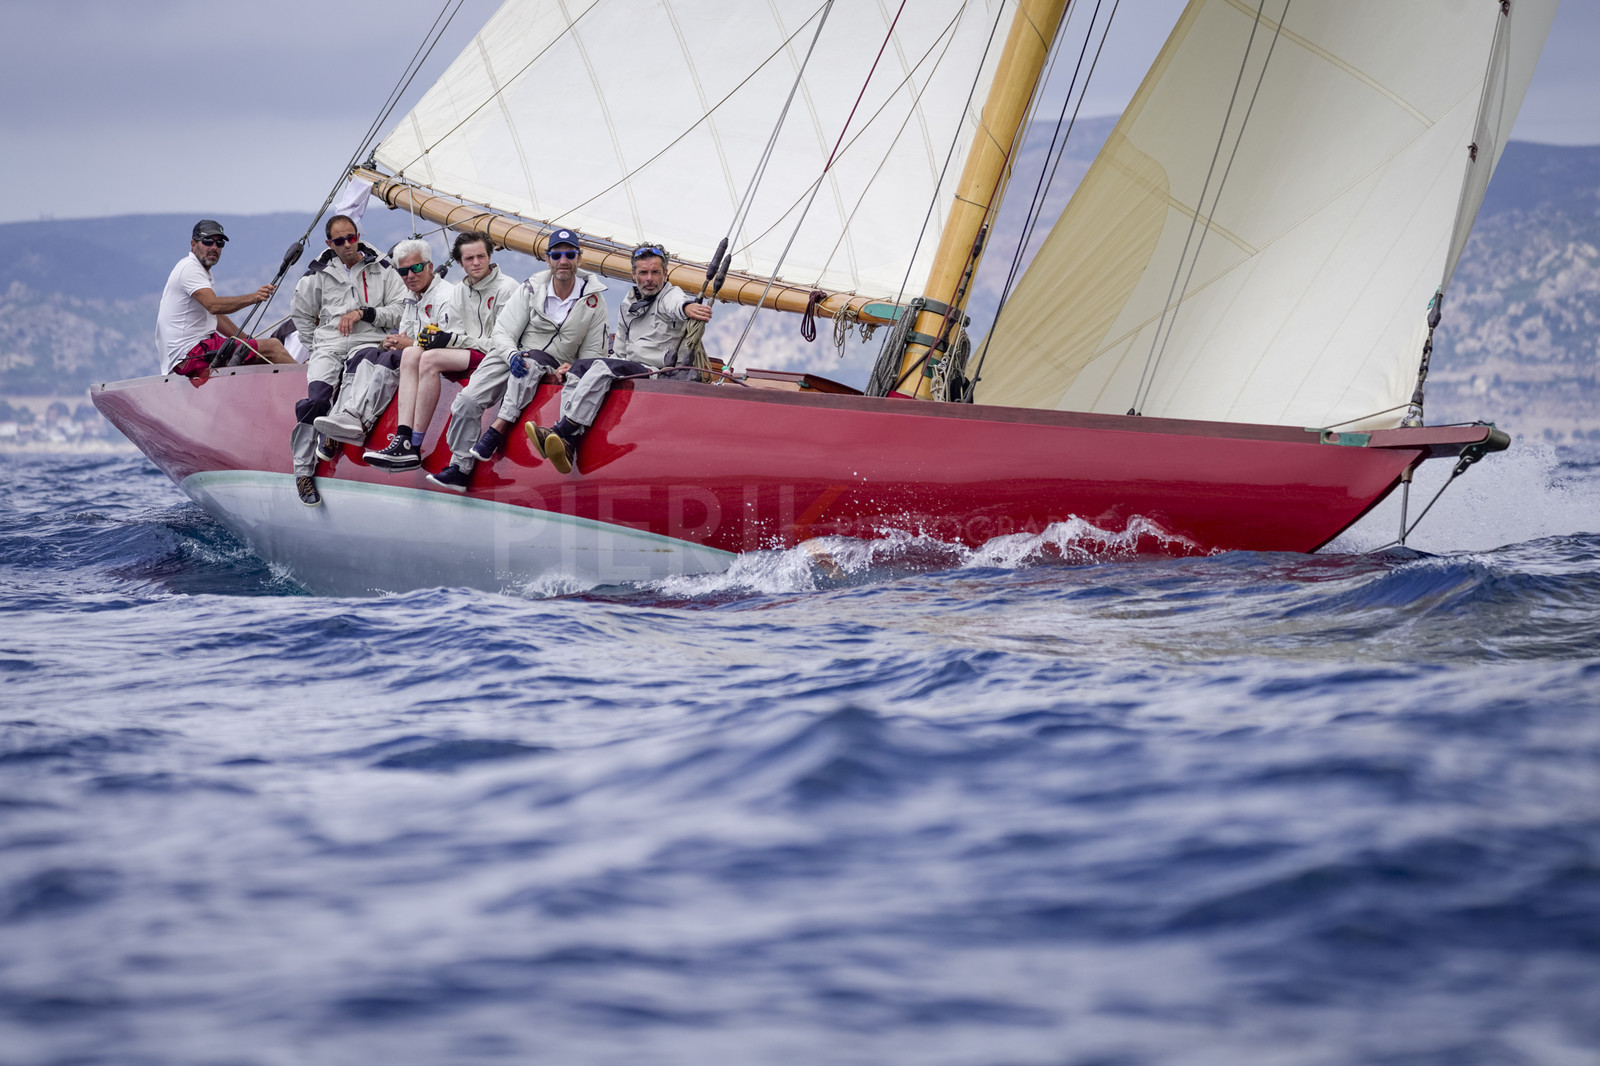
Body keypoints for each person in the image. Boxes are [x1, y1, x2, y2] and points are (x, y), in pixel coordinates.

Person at [425, 227, 609, 492]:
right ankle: (460, 467)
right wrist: (511, 354)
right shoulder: (531, 288)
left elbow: (594, 353)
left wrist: (576, 366)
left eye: (570, 254)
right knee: (466, 400)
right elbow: (503, 332)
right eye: (557, 255)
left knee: (532, 363)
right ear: (547, 259)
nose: (563, 261)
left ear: (579, 259)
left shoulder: (594, 301)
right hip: (513, 353)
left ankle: (496, 431)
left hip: (552, 362)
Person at [525, 242, 712, 475]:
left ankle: (562, 430)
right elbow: (620, 350)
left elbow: (676, 304)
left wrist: (688, 308)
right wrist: (594, 363)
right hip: (629, 365)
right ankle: (568, 444)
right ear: (634, 275)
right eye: (643, 273)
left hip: (655, 372)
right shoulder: (629, 303)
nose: (649, 279)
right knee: (579, 367)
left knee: (603, 367)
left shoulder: (670, 295)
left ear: (665, 273)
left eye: (655, 272)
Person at [364, 230, 519, 471]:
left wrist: (449, 339)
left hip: (495, 357)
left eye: (481, 256)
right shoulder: (460, 291)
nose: (476, 262)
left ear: (490, 256)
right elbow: (455, 334)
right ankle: (403, 437)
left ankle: (414, 446)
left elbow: (502, 341)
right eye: (469, 259)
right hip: (468, 352)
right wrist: (436, 338)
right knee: (412, 353)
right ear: (460, 262)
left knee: (429, 359)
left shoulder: (508, 288)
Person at [287, 215, 405, 507]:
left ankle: (333, 432)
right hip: (328, 344)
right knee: (315, 401)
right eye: (339, 241)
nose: (347, 244)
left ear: (358, 235)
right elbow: (301, 314)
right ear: (330, 243)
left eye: (351, 237)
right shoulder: (316, 273)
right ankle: (302, 473)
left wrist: (366, 314)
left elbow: (401, 308)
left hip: (367, 341)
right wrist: (316, 346)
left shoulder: (382, 268)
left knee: (363, 371)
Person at [313, 236, 455, 453]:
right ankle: (342, 417)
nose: (410, 275)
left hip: (433, 357)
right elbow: (405, 333)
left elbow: (449, 339)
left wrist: (408, 343)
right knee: (366, 353)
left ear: (430, 267)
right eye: (403, 271)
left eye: (416, 268)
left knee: (389, 358)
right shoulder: (411, 298)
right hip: (413, 353)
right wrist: (390, 342)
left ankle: (360, 421)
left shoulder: (447, 295)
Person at [156, 219, 293, 376]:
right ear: (193, 244)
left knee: (262, 356)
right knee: (273, 347)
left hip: (194, 351)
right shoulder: (189, 268)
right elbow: (213, 306)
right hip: (192, 353)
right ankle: (313, 390)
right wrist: (253, 297)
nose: (214, 247)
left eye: (219, 243)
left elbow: (215, 315)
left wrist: (247, 340)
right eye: (208, 241)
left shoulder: (202, 271)